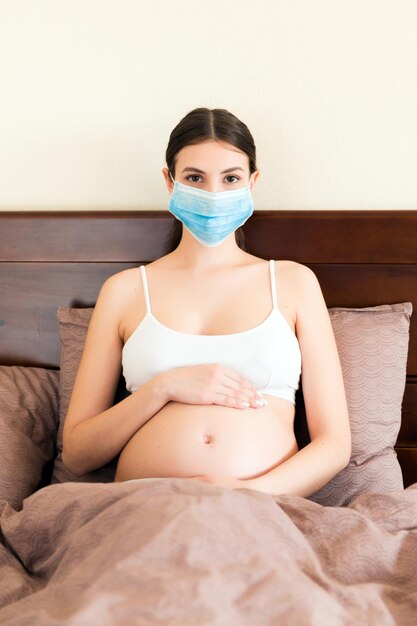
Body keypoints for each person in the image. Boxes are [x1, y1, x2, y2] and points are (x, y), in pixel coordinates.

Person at [62, 107, 351, 497]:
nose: (213, 194)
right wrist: (163, 388)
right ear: (170, 181)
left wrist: (250, 495)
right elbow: (78, 455)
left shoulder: (293, 283)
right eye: (195, 178)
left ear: (253, 182)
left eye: (230, 178)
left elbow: (334, 445)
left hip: (258, 510)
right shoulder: (124, 290)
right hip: (141, 512)